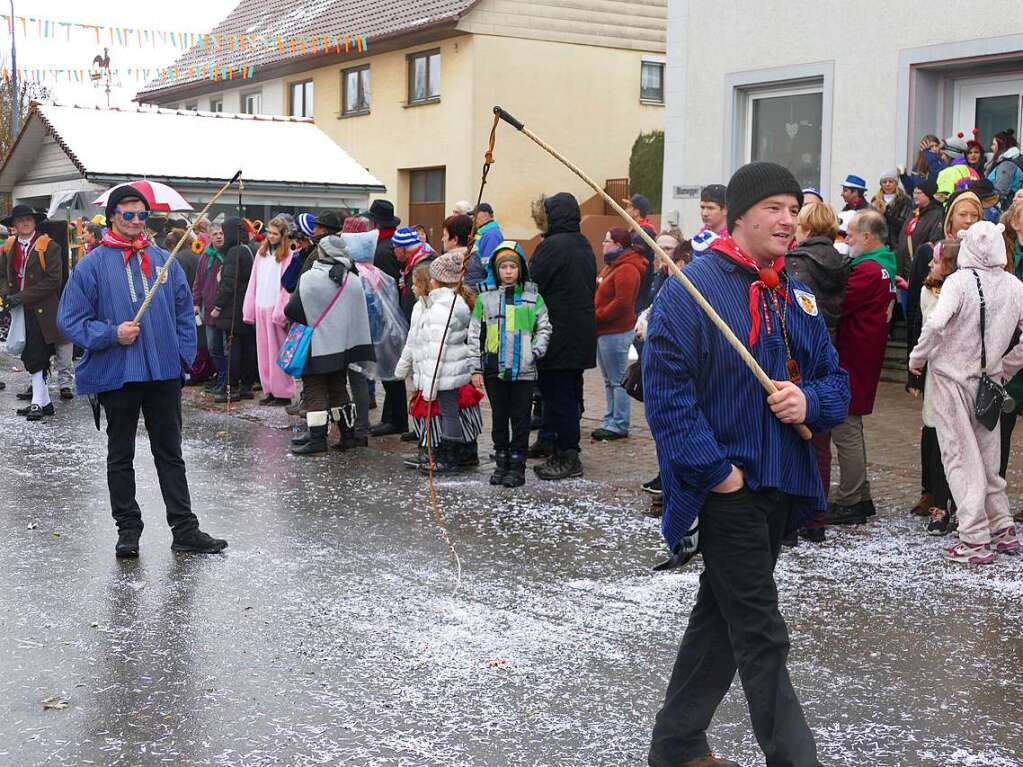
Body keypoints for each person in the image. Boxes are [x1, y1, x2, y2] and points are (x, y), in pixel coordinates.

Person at [645, 161, 849, 767]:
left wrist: (806, 399)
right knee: (761, 632)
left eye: (793, 209)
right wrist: (717, 474)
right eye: (774, 209)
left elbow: (835, 381)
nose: (788, 221)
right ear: (739, 217)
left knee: (721, 618)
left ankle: (676, 745)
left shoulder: (798, 293)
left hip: (782, 484)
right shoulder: (692, 288)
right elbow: (666, 395)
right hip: (729, 488)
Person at [57, 185, 227, 557]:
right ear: (113, 217)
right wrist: (110, 334)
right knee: (121, 456)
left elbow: (185, 313)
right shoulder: (92, 265)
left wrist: (182, 356)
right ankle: (128, 530)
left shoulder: (164, 261)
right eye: (128, 214)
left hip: (163, 373)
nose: (135, 221)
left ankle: (184, 529)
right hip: (118, 374)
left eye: (141, 215)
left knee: (170, 453)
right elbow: (70, 320)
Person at [909, 220, 1023, 564]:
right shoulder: (1015, 286)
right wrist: (1007, 365)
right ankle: (1001, 527)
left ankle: (974, 538)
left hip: (950, 378)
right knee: (988, 458)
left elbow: (936, 323)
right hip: (989, 381)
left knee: (959, 456)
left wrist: (918, 357)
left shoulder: (959, 282)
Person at [905, 190, 983, 517]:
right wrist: (914, 365)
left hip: (966, 360)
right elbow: (916, 312)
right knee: (931, 428)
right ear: (950, 218)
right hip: (933, 356)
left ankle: (953, 496)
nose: (967, 221)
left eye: (974, 216)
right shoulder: (928, 252)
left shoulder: (981, 253)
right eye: (962, 215)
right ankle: (931, 492)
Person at [826, 210, 897, 526]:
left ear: (868, 237)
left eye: (851, 234)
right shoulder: (882, 266)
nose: (847, 239)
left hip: (852, 359)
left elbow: (837, 303)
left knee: (846, 429)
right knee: (850, 427)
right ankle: (861, 494)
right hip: (861, 358)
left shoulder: (868, 271)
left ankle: (850, 499)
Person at [787, 202, 851, 542]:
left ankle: (795, 515)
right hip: (829, 346)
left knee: (797, 438)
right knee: (821, 441)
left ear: (806, 228)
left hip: (799, 354)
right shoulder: (841, 263)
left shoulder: (797, 263)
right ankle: (817, 516)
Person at [468, 241, 551, 486]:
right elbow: (475, 333)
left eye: (512, 267)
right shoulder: (485, 298)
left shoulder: (532, 297)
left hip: (523, 369)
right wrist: (476, 367)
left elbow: (544, 328)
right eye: (503, 267)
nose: (507, 271)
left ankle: (517, 465)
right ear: (496, 269)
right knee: (499, 418)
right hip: (494, 368)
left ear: (520, 269)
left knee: (521, 419)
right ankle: (501, 461)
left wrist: (534, 351)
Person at [528, 193, 597, 481]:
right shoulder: (583, 244)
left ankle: (568, 454)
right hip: (579, 333)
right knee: (570, 393)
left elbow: (533, 284)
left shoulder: (552, 247)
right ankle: (559, 447)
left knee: (559, 398)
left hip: (558, 334)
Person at [285, 236, 375, 455]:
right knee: (337, 389)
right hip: (343, 347)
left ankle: (317, 439)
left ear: (322, 253)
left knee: (315, 389)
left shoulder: (311, 278)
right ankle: (348, 436)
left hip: (317, 345)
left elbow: (292, 310)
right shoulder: (353, 278)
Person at [393, 251, 479, 474]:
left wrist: (429, 386)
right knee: (447, 411)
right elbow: (416, 339)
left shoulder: (444, 307)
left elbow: (436, 351)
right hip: (445, 371)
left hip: (445, 372)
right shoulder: (439, 303)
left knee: (448, 412)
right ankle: (447, 451)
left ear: (438, 280)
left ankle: (451, 455)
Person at [908, 238, 959, 536]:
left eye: (936, 260)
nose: (930, 264)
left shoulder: (963, 292)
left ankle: (959, 505)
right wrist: (915, 369)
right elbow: (924, 331)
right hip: (936, 375)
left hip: (960, 377)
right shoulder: (928, 290)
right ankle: (939, 504)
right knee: (937, 439)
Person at [0, 204, 66, 420]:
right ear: (14, 225)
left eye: (28, 219)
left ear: (35, 222)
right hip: (20, 309)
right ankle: (45, 402)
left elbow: (53, 282)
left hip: (43, 310)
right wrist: (7, 294)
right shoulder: (9, 246)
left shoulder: (49, 246)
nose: (25, 223)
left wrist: (21, 296)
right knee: (29, 353)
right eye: (20, 220)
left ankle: (37, 401)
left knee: (38, 353)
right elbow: (3, 274)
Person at [592, 227, 646, 441]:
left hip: (615, 330)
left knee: (616, 380)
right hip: (604, 330)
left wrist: (598, 315)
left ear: (619, 245)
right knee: (608, 380)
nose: (603, 244)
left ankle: (620, 423)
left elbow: (622, 303)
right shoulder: (611, 266)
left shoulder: (627, 269)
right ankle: (610, 418)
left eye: (607, 240)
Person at [243, 216, 294, 405]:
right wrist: (249, 308)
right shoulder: (261, 253)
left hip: (275, 307)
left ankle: (284, 392)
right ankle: (270, 389)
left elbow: (286, 286)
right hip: (261, 305)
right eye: (269, 232)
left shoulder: (288, 255)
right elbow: (253, 281)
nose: (271, 236)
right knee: (263, 351)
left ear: (282, 235)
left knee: (278, 352)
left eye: (275, 233)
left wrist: (281, 310)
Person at [211, 218, 257, 403]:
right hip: (246, 307)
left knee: (233, 350)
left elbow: (229, 284)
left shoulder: (234, 252)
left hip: (233, 309)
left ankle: (232, 387)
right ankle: (246, 386)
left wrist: (217, 306)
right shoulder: (250, 249)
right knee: (247, 349)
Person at [192, 223, 227, 394]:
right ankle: (219, 377)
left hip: (225, 309)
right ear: (210, 236)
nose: (219, 236)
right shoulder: (205, 256)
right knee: (213, 347)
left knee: (225, 347)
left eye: (221, 233)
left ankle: (225, 381)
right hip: (208, 307)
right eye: (215, 234)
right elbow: (198, 281)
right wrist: (196, 302)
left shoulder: (228, 254)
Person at [465, 202, 504, 289]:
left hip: (483, 283)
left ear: (485, 214)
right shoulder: (483, 232)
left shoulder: (492, 234)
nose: (473, 219)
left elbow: (489, 263)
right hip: (477, 280)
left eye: (475, 215)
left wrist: (486, 287)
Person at [871, 170, 912, 253]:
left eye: (891, 181)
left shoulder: (904, 200)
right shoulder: (875, 199)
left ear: (896, 183)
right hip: (878, 241)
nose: (887, 184)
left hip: (896, 242)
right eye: (884, 182)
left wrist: (885, 213)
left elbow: (903, 224)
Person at [987, 129, 1023, 210]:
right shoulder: (1010, 161)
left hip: (1004, 209)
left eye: (993, 144)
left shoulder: (1007, 165)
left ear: (1001, 145)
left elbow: (1000, 191)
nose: (991, 147)